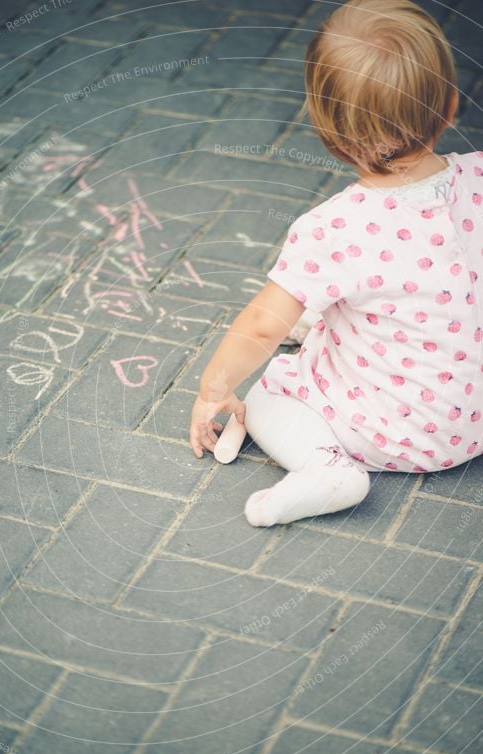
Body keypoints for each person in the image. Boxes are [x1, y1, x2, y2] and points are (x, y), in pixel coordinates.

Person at [189, 0, 482, 527]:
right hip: (475, 414)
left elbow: (259, 326)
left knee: (266, 393)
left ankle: (325, 470)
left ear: (327, 127)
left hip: (398, 433)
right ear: (451, 106)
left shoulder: (334, 228)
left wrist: (215, 386)